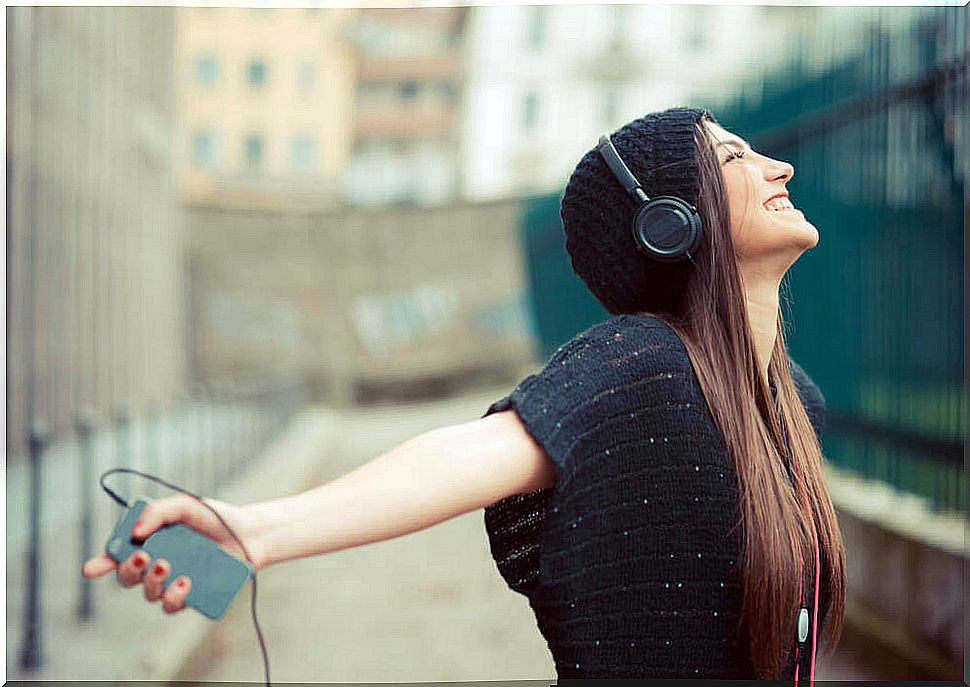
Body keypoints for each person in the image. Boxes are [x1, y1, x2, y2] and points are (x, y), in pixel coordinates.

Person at [83, 106, 845, 680]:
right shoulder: (645, 368)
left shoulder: (796, 402)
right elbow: (468, 453)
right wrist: (256, 529)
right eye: (734, 157)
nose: (778, 167)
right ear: (669, 222)